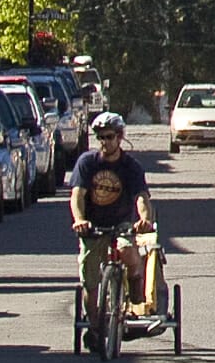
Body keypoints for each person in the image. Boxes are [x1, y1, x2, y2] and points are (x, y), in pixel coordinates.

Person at [66, 109, 158, 318]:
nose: (104, 142)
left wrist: (145, 219)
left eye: (109, 137)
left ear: (120, 137)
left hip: (121, 225)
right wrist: (80, 220)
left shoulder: (130, 167)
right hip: (93, 227)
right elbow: (77, 195)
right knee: (89, 279)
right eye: (100, 137)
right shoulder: (87, 162)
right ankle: (94, 323)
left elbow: (141, 197)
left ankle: (135, 289)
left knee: (128, 253)